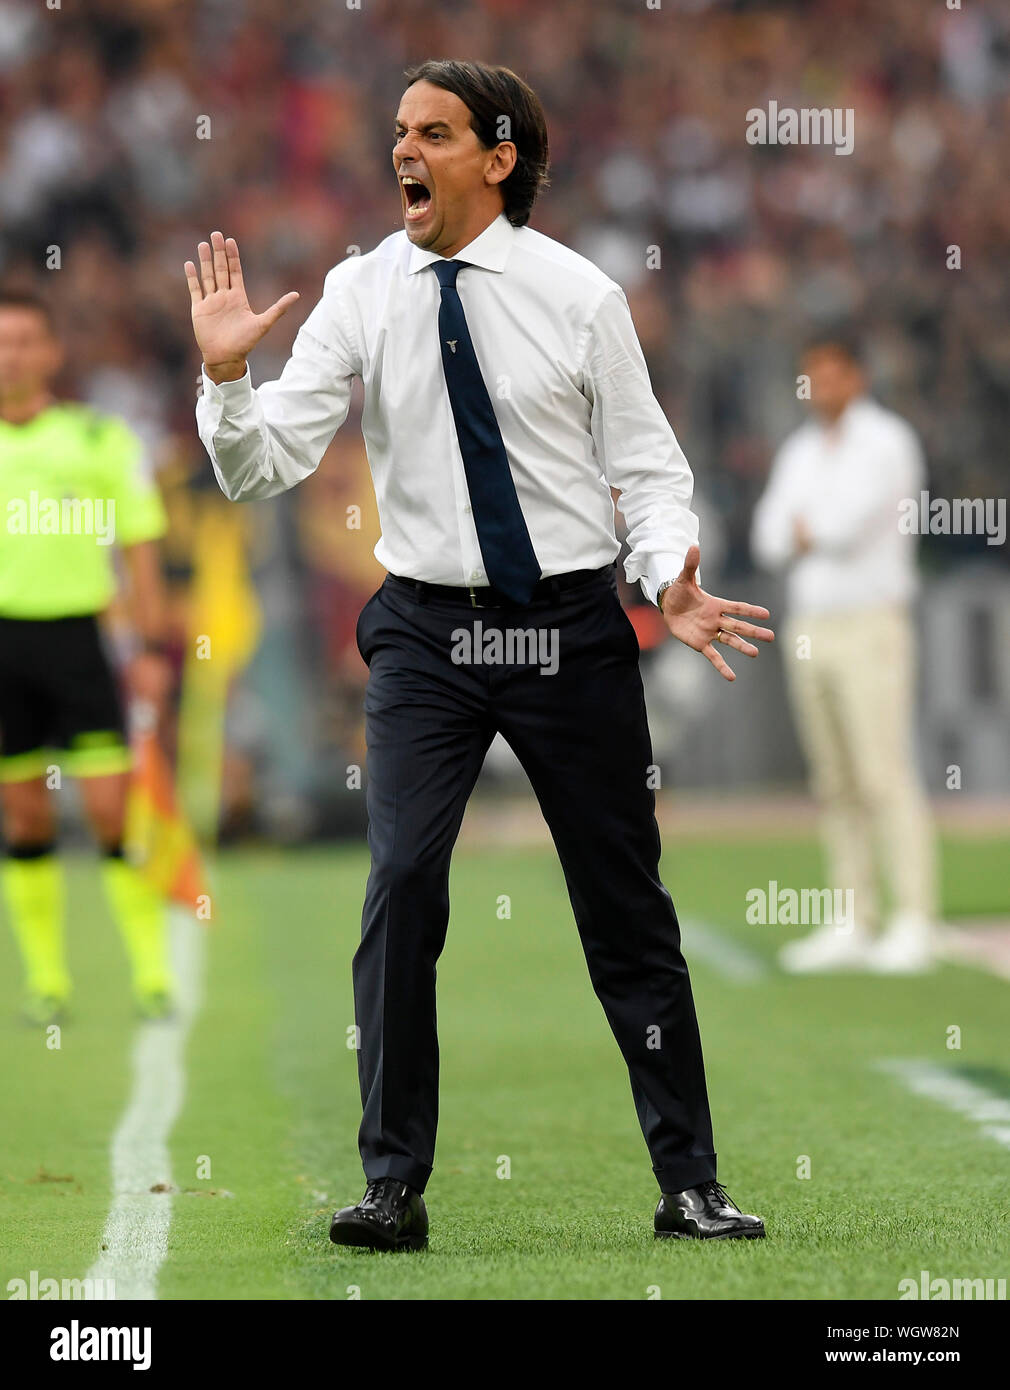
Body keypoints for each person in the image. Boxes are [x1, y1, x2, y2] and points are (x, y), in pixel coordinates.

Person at [189, 60, 774, 1250]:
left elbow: (649, 468)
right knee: (402, 883)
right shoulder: (360, 290)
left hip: (568, 626)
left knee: (624, 910)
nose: (402, 149)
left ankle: (689, 1183)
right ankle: (392, 1184)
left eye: (433, 132)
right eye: (398, 130)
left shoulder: (579, 295)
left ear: (499, 157)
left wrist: (666, 572)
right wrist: (224, 376)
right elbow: (259, 467)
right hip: (425, 630)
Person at [0, 289, 176, 1022]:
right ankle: (47, 984)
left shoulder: (99, 441)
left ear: (50, 353)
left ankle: (151, 976)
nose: (11, 354)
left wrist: (150, 645)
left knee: (110, 812)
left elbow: (139, 548)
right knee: (25, 820)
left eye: (24, 340)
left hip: (80, 642)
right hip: (5, 645)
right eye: (0, 341)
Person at [751, 332, 939, 975]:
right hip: (812, 626)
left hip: (870, 622)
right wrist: (807, 529)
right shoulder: (801, 448)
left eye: (830, 374)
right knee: (834, 781)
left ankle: (914, 917)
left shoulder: (886, 440)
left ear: (857, 377)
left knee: (883, 772)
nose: (818, 388)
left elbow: (842, 525)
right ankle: (852, 919)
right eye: (810, 375)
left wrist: (807, 527)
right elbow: (770, 535)